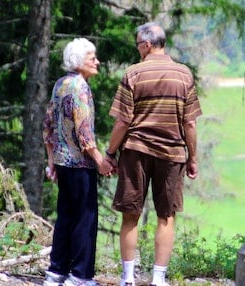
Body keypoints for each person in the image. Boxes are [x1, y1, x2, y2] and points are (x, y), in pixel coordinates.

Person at [104, 22, 202, 286]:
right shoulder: (184, 75)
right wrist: (192, 158)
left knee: (130, 215)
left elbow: (123, 121)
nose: (137, 49)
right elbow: (190, 123)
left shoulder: (133, 73)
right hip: (172, 154)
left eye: (138, 44)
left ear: (146, 45)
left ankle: (127, 278)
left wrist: (110, 153)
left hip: (136, 150)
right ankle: (158, 279)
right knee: (166, 216)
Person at [43, 38, 114, 286]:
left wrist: (51, 162)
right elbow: (85, 135)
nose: (97, 61)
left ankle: (56, 272)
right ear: (78, 61)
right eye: (91, 57)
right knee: (85, 218)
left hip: (63, 163)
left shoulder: (60, 84)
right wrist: (101, 161)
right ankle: (80, 276)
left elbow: (48, 127)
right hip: (81, 165)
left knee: (65, 217)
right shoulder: (81, 88)